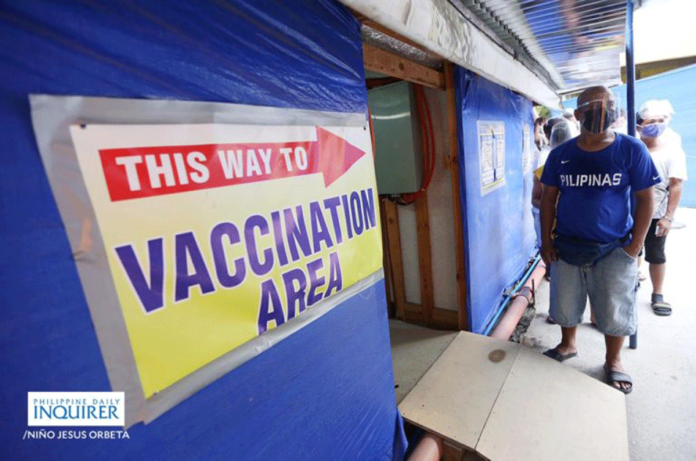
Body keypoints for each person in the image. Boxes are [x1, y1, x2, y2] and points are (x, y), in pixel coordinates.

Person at [540, 86, 660, 394]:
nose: (602, 110)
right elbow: (548, 200)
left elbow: (646, 198)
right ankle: (568, 345)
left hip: (614, 248)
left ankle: (613, 361)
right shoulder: (561, 155)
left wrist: (635, 246)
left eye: (608, 105)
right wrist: (546, 242)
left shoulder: (632, 149)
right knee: (565, 305)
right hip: (567, 245)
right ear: (578, 113)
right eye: (594, 105)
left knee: (614, 309)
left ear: (618, 113)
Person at [636, 100, 688, 316]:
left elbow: (676, 185)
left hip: (657, 214)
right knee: (630, 250)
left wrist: (668, 217)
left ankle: (657, 294)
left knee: (656, 254)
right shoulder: (632, 147)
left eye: (660, 121)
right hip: (630, 211)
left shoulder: (672, 152)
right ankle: (629, 284)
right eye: (651, 121)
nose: (656, 125)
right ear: (640, 125)